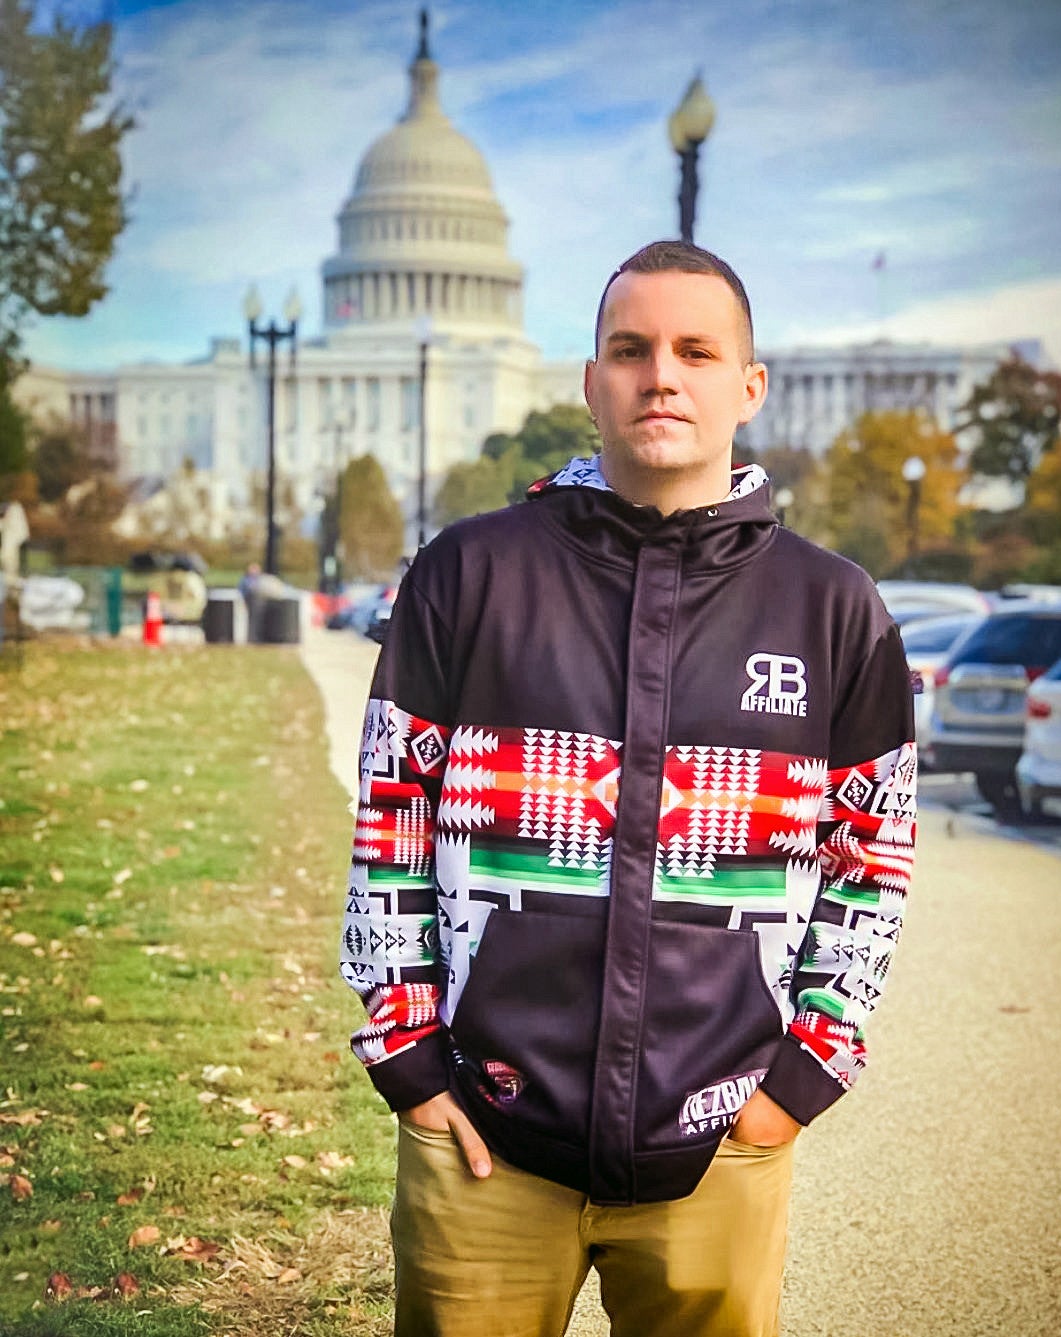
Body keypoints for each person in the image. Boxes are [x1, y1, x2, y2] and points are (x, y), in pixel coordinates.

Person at [341, 240, 916, 1337]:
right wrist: (410, 1061)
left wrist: (795, 1084)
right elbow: (391, 821)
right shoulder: (467, 574)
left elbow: (871, 860)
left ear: (749, 385)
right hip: (487, 1140)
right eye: (631, 348)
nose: (663, 374)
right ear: (590, 379)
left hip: (720, 1147)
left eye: (697, 350)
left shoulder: (835, 609)